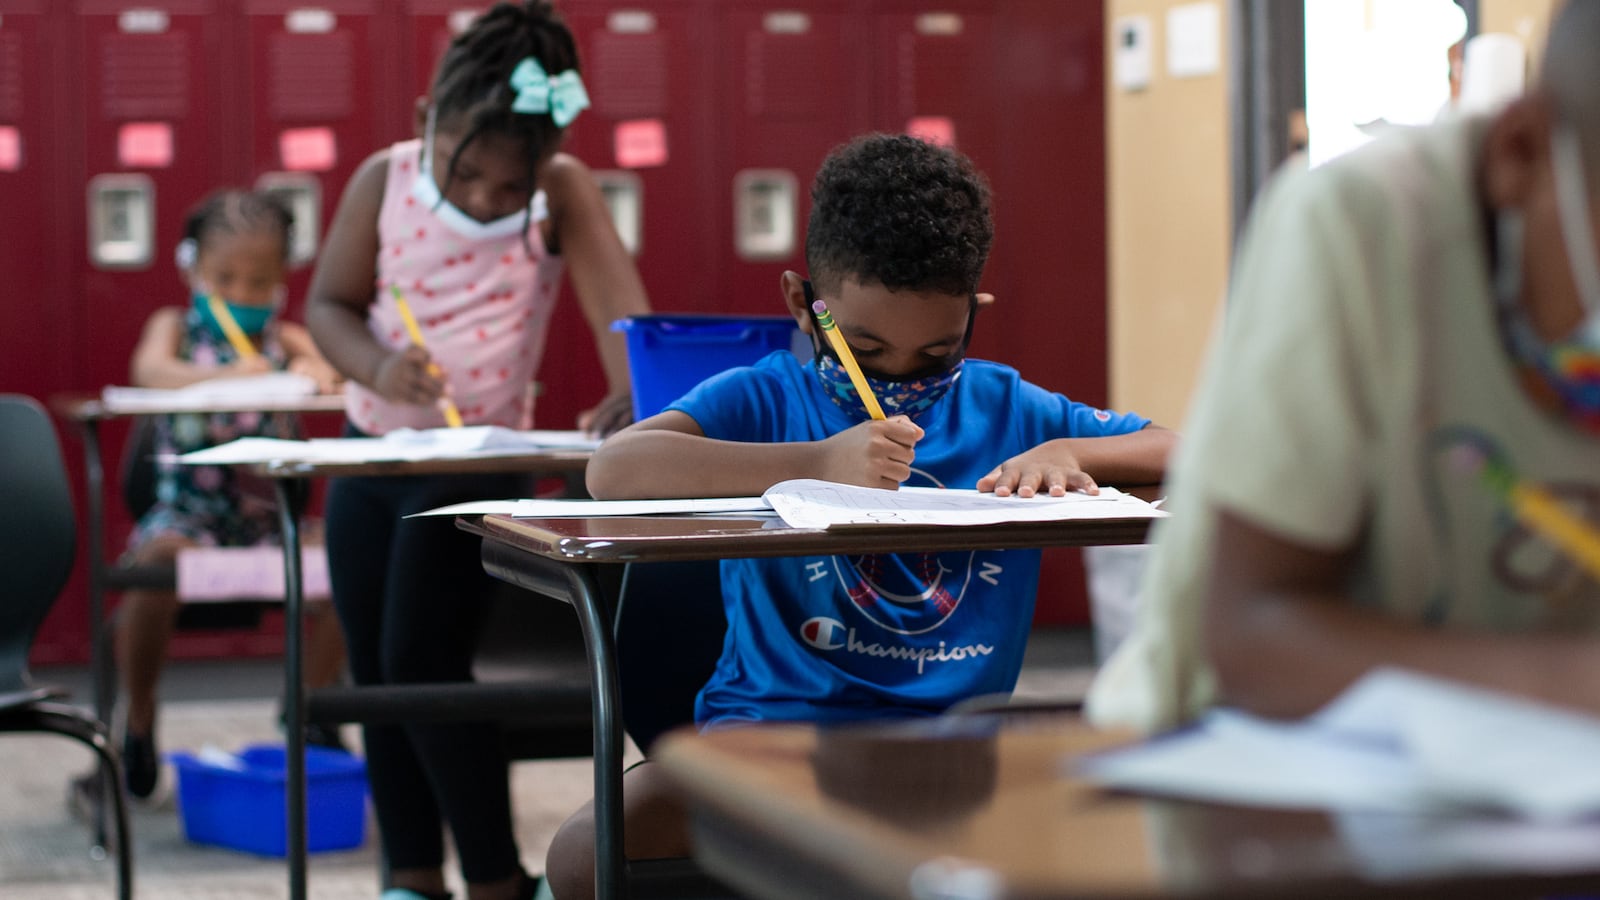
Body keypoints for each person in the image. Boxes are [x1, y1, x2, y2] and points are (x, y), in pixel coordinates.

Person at [544, 132, 1176, 898]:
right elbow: (614, 469)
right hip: (774, 742)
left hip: (951, 749)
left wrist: (1073, 451)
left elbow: (1181, 448)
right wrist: (812, 463)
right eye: (866, 351)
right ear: (802, 305)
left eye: (936, 354)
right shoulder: (767, 396)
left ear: (972, 317)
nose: (900, 378)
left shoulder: (1006, 406)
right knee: (586, 856)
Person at [1085, 1, 1600, 733]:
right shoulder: (1360, 228)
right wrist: (1563, 686)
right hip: (1245, 768)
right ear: (1522, 152)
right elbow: (1249, 638)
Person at [304, 3, 650, 898]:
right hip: (368, 462)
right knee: (378, 676)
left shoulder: (562, 188)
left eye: (512, 187)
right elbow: (328, 306)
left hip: (470, 472)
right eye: (474, 177)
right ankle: (411, 877)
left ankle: (494, 877)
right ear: (427, 119)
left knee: (425, 662)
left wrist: (635, 398)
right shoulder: (384, 180)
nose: (494, 200)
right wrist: (377, 362)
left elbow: (624, 319)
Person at [97, 189, 346, 804]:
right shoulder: (176, 330)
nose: (242, 295)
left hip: (269, 525)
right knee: (153, 566)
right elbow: (150, 371)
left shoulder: (284, 340)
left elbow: (331, 373)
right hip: (187, 520)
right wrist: (223, 377)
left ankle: (307, 707)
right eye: (225, 278)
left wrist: (314, 373)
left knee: (347, 561)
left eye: (260, 282)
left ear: (284, 280)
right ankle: (141, 716)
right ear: (192, 268)